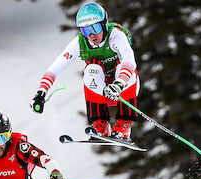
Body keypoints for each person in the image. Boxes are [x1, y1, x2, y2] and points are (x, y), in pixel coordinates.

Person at [31, 2, 140, 141]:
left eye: (95, 28)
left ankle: (123, 126)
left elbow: (129, 60)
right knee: (91, 69)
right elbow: (55, 67)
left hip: (124, 87)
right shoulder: (80, 42)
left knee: (124, 68)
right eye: (85, 30)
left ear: (104, 24)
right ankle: (101, 125)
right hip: (101, 90)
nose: (91, 35)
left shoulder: (115, 35)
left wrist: (119, 84)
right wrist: (41, 92)